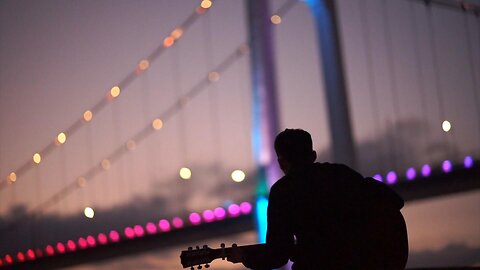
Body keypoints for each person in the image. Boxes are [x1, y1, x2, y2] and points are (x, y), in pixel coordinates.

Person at [228, 128, 408, 269]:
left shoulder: (283, 191)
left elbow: (278, 255)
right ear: (313, 156)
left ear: (281, 163)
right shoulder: (341, 173)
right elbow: (395, 201)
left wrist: (244, 257)